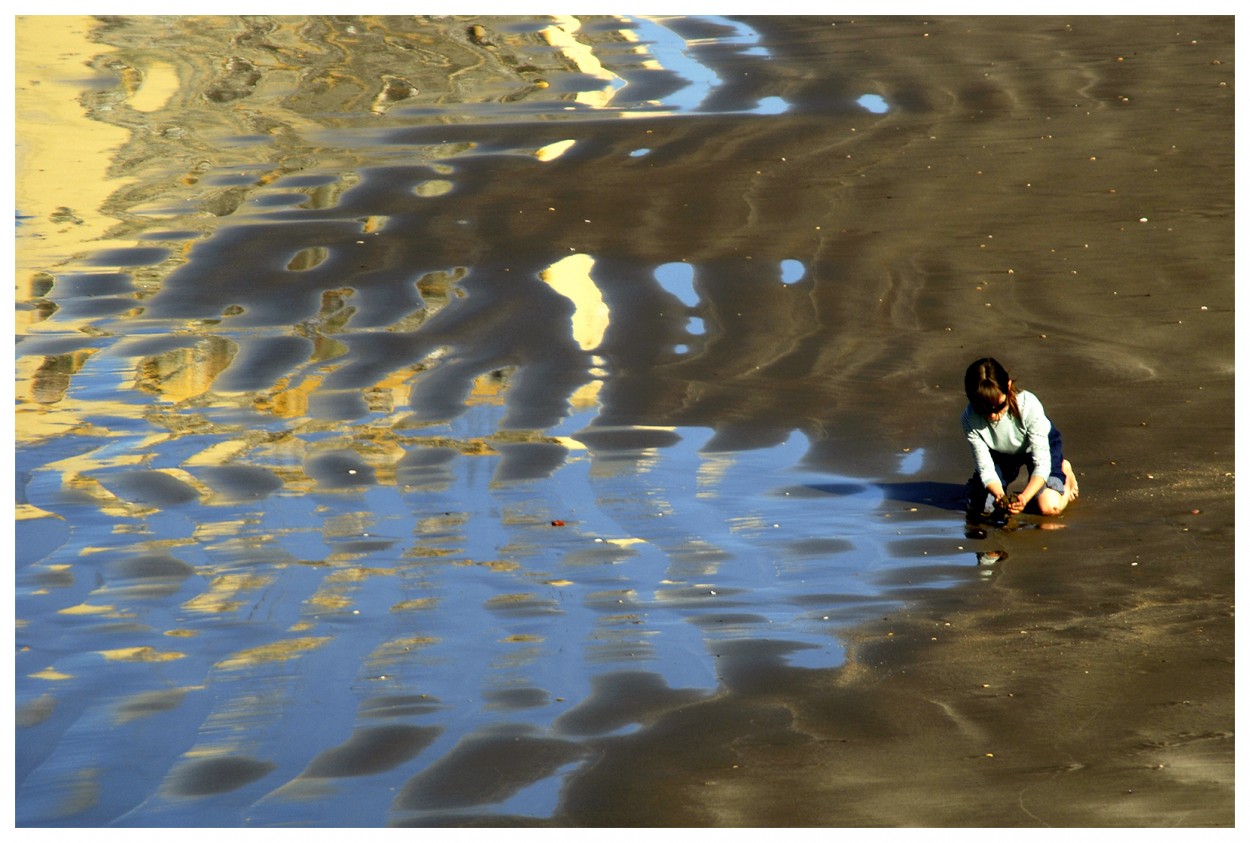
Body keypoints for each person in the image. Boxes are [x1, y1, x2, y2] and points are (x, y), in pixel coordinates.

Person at [961, 357, 1079, 520]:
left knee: (1049, 507)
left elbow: (1042, 465)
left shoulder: (1028, 405)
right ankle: (976, 489)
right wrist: (1000, 496)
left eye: (999, 406)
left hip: (1037, 447)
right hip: (1000, 452)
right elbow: (986, 468)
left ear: (1008, 386)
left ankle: (1065, 475)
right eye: (984, 410)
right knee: (984, 508)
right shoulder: (969, 418)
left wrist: (1024, 498)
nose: (993, 416)